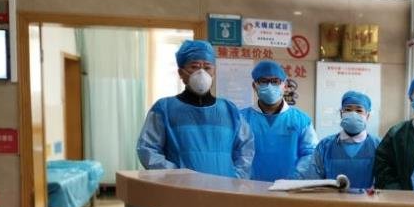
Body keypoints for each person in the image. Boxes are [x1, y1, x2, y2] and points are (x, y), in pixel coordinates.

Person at [136, 39, 254, 178]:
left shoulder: (230, 110)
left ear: (214, 72)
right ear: (181, 73)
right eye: (194, 67)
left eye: (207, 67)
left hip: (224, 188)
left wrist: (236, 177)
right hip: (182, 189)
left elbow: (246, 150)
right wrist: (175, 175)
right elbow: (148, 149)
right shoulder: (164, 109)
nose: (201, 73)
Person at [241, 60, 317, 181]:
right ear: (254, 86)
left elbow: (310, 154)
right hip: (250, 187)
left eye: (275, 81)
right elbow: (234, 154)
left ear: (285, 86)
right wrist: (243, 180)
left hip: (290, 188)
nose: (269, 86)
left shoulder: (301, 120)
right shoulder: (241, 119)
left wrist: (295, 178)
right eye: (263, 81)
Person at [304, 91, 380, 189]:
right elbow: (313, 181)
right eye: (348, 109)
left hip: (367, 199)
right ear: (341, 113)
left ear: (367, 115)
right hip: (330, 198)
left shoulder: (378, 146)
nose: (353, 114)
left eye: (359, 110)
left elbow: (383, 181)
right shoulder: (325, 146)